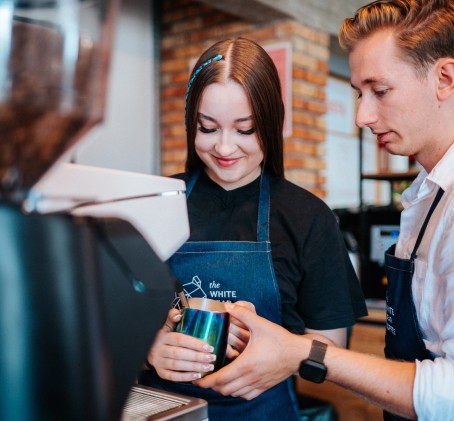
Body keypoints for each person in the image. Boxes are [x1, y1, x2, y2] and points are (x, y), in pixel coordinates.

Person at [194, 1, 454, 420]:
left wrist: (300, 351)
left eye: (380, 91)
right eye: (358, 93)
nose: (362, 116)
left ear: (445, 78)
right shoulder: (425, 199)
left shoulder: (307, 215)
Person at [138, 37, 367, 420]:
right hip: (166, 410)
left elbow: (330, 347)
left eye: (245, 130)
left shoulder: (308, 217)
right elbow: (109, 321)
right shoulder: (155, 203)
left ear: (271, 122)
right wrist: (148, 347)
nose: (225, 148)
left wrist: (280, 355)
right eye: (208, 128)